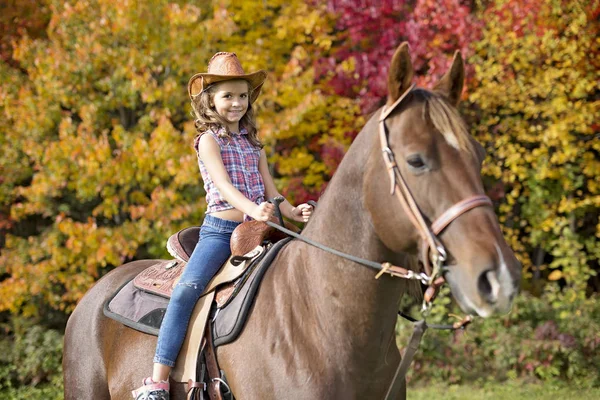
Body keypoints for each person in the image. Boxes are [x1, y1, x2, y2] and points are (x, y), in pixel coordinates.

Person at [132, 52, 313, 400]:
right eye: (227, 95)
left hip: (261, 229)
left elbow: (273, 194)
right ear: (209, 101)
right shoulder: (208, 142)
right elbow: (226, 188)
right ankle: (157, 379)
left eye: (242, 95)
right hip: (220, 231)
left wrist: (295, 212)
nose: (236, 103)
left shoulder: (254, 146)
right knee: (187, 289)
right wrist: (252, 209)